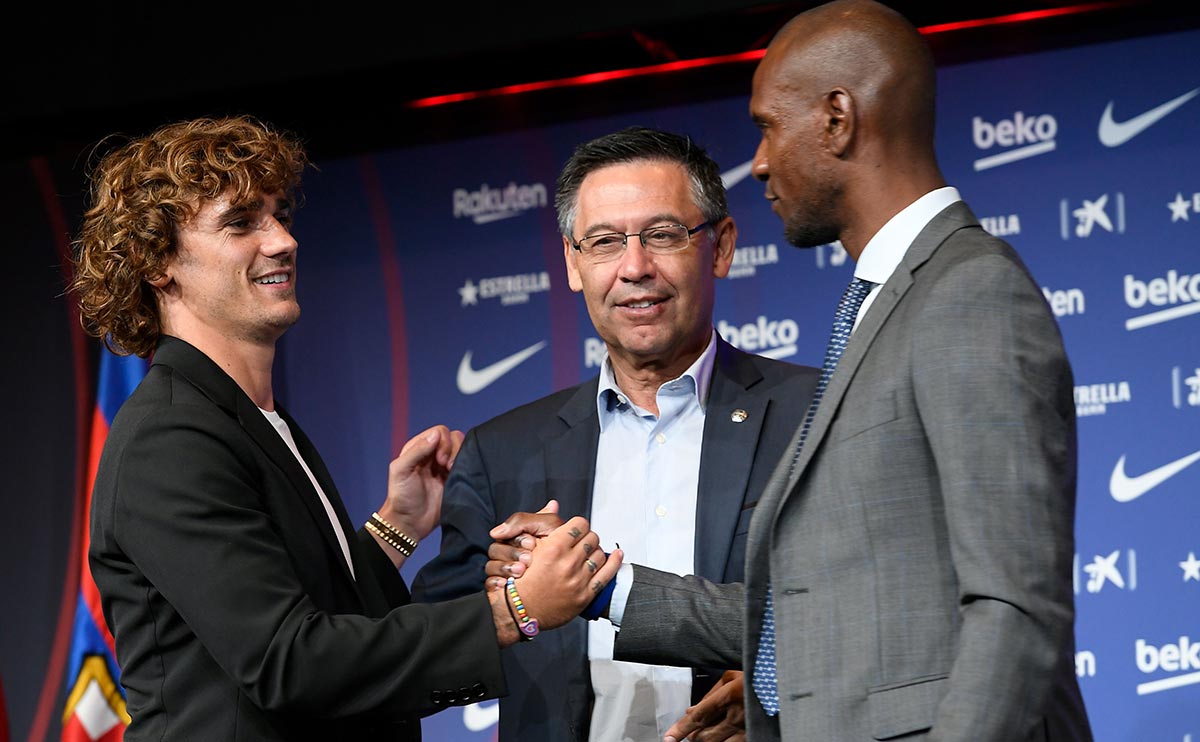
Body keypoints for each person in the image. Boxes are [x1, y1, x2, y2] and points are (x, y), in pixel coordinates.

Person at [488, 2, 1093, 739]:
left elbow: (1013, 604)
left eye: (768, 126)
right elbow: (814, 608)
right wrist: (600, 586)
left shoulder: (967, 292)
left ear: (838, 118)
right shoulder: (891, 302)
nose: (763, 161)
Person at [69, 114, 620, 742]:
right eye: (241, 222)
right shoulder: (168, 438)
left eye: (278, 215)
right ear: (157, 262)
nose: (282, 241)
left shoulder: (251, 419)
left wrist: (399, 526)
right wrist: (513, 610)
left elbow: (309, 609)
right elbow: (290, 662)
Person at [411, 126, 818, 741]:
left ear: (721, 247)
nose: (634, 267)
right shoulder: (502, 453)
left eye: (662, 235)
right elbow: (427, 662)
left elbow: (867, 611)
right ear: (574, 265)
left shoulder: (815, 414)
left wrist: (774, 689)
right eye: (604, 242)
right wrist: (509, 609)